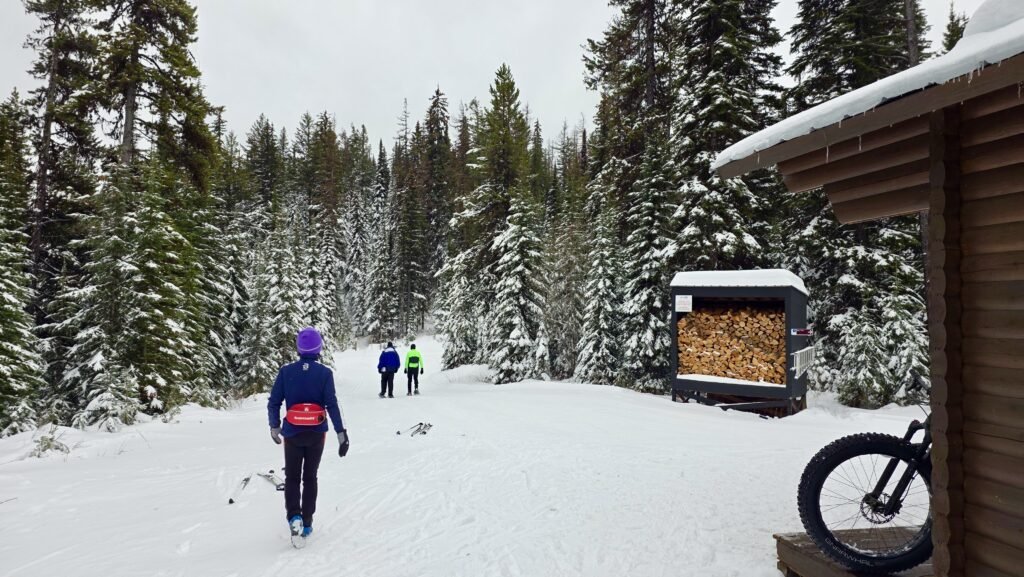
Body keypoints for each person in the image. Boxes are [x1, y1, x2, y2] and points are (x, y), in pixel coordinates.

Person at [267, 327, 349, 540]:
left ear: (299, 348)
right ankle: (307, 523)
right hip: (316, 433)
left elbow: (274, 402)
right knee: (310, 477)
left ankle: (294, 516)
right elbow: (332, 405)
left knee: (292, 477)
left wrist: (274, 426)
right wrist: (341, 433)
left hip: (292, 433)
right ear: (318, 348)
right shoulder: (324, 373)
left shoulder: (286, 372)